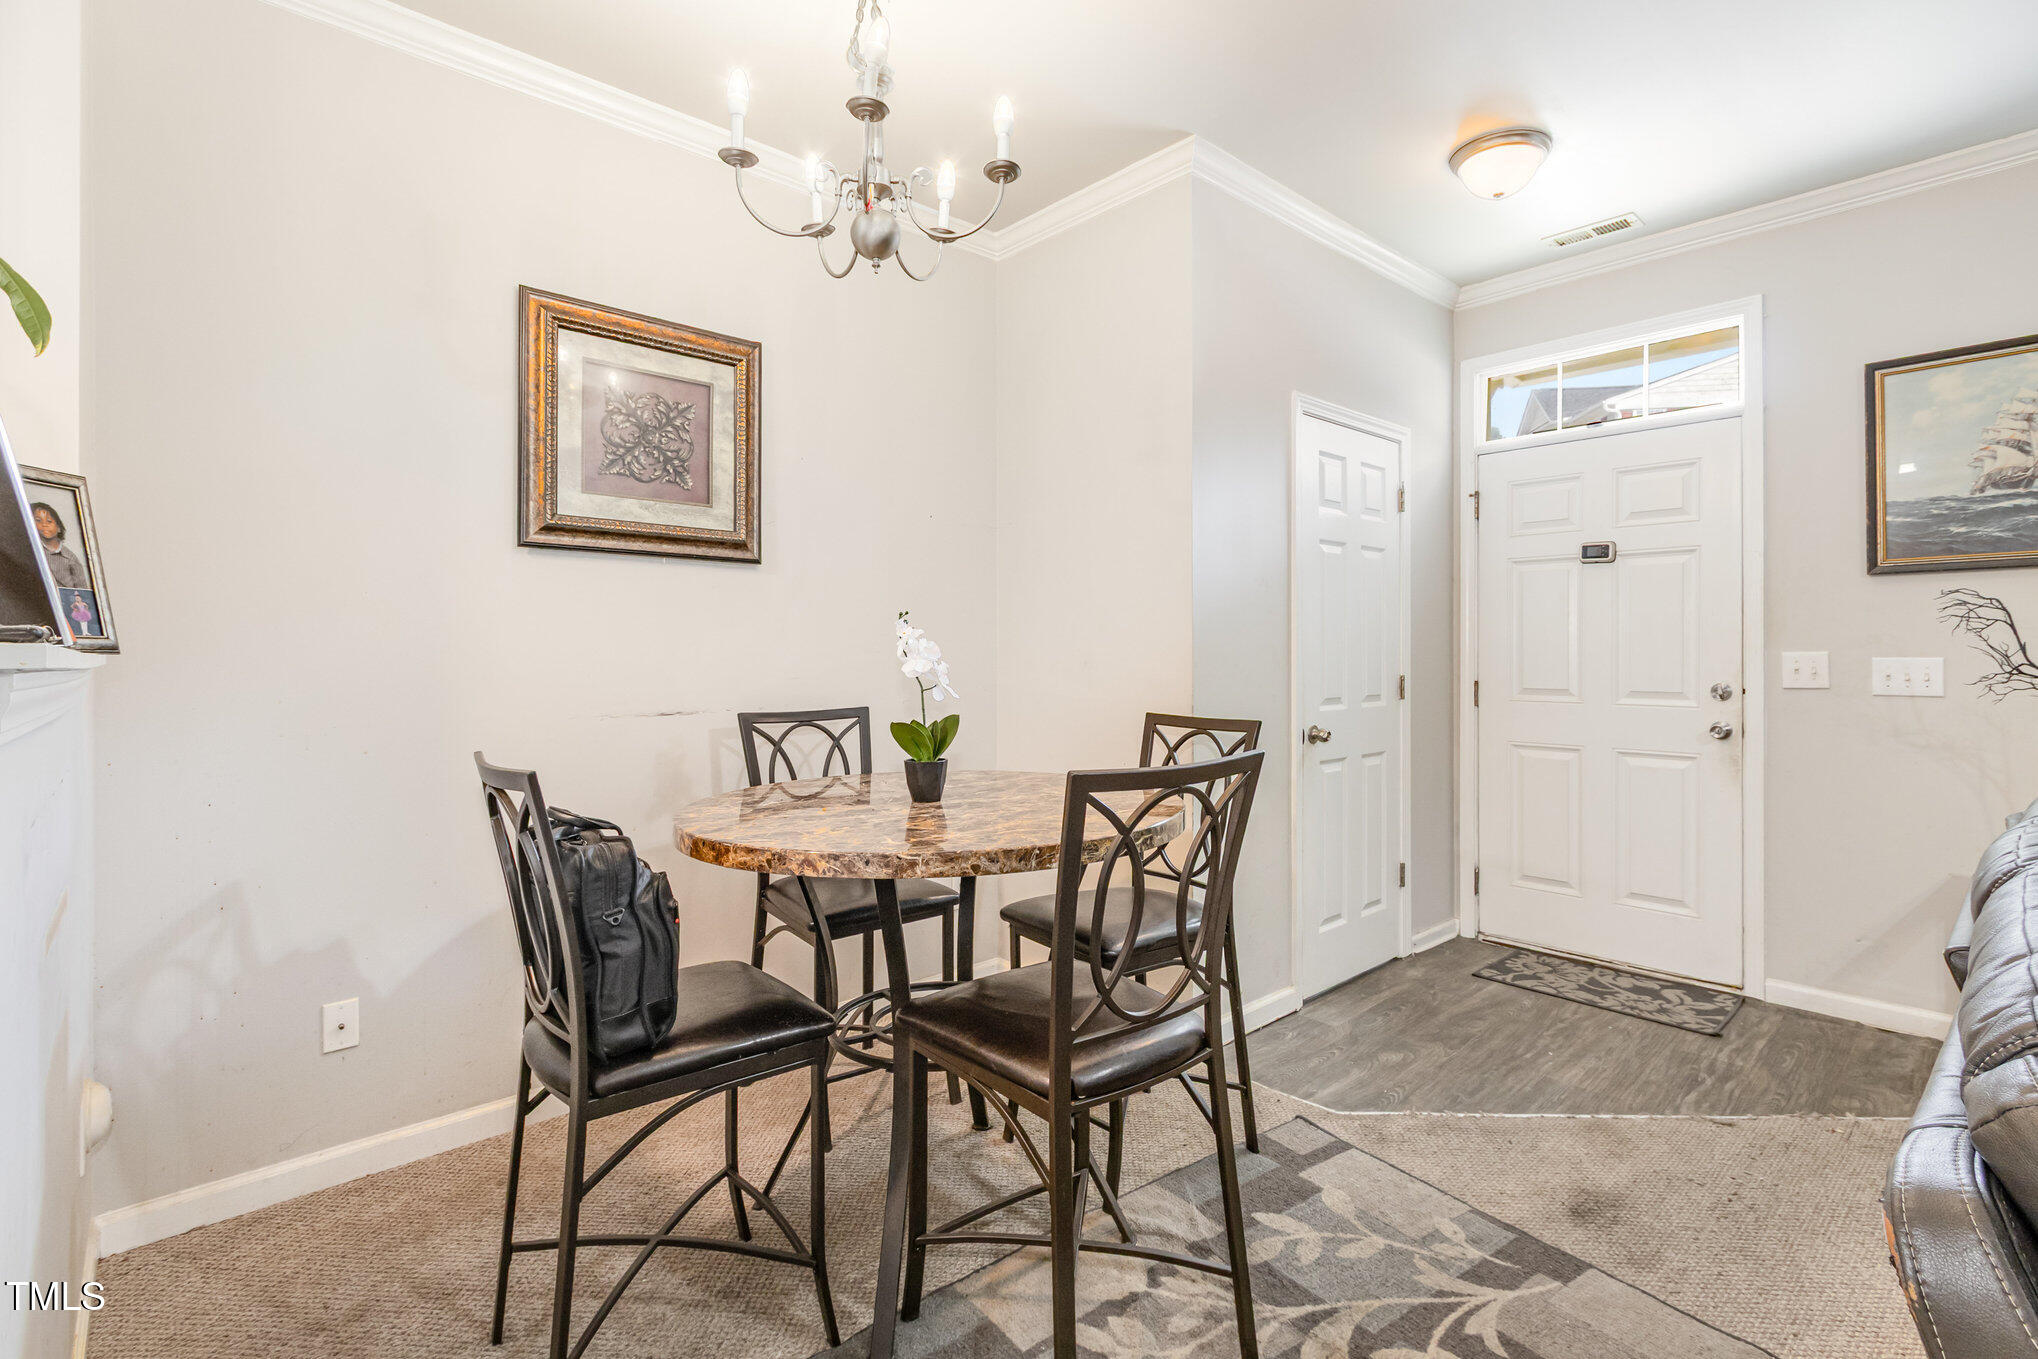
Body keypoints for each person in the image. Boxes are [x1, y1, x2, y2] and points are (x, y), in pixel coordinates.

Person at [30, 501, 89, 588]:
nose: (44, 524)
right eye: (38, 520)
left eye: (49, 521)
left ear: (59, 528)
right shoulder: (32, 550)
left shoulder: (70, 558)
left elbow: (82, 590)